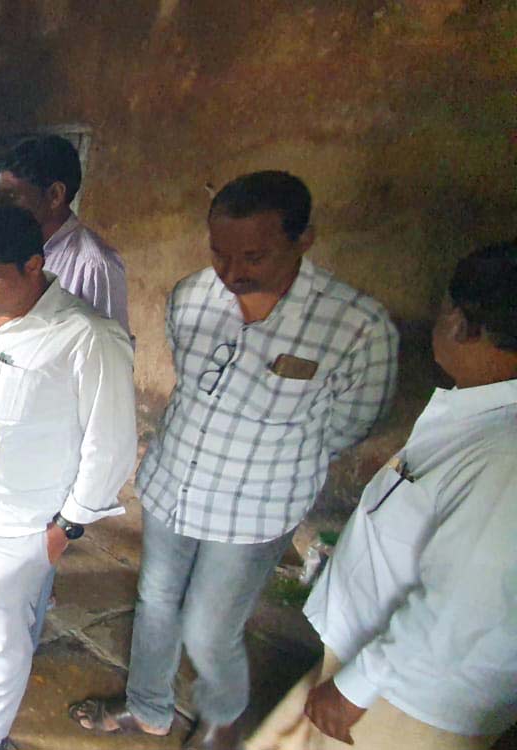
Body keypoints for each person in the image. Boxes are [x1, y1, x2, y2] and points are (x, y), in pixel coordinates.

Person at [72, 171, 399, 750]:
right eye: (219, 252)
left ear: (304, 239)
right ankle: (148, 707)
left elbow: (352, 423)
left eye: (254, 256)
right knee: (156, 601)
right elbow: (191, 381)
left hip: (255, 506)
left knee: (209, 627)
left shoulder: (356, 327)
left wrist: (269, 448)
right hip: (175, 483)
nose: (232, 271)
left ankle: (223, 717)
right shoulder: (193, 295)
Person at [247, 242, 517, 750]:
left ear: (463, 325)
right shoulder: (481, 418)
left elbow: (463, 609)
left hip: (407, 698)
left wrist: (355, 688)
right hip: (371, 664)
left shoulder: (505, 458)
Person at [0, 206, 137, 750]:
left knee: (7, 635)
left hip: (26, 523)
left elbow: (110, 445)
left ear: (33, 265)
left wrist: (66, 527)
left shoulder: (86, 336)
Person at [0, 135, 130, 336]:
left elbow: (112, 347)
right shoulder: (7, 250)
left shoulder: (93, 264)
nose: (0, 206)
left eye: (12, 196)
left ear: (55, 195)